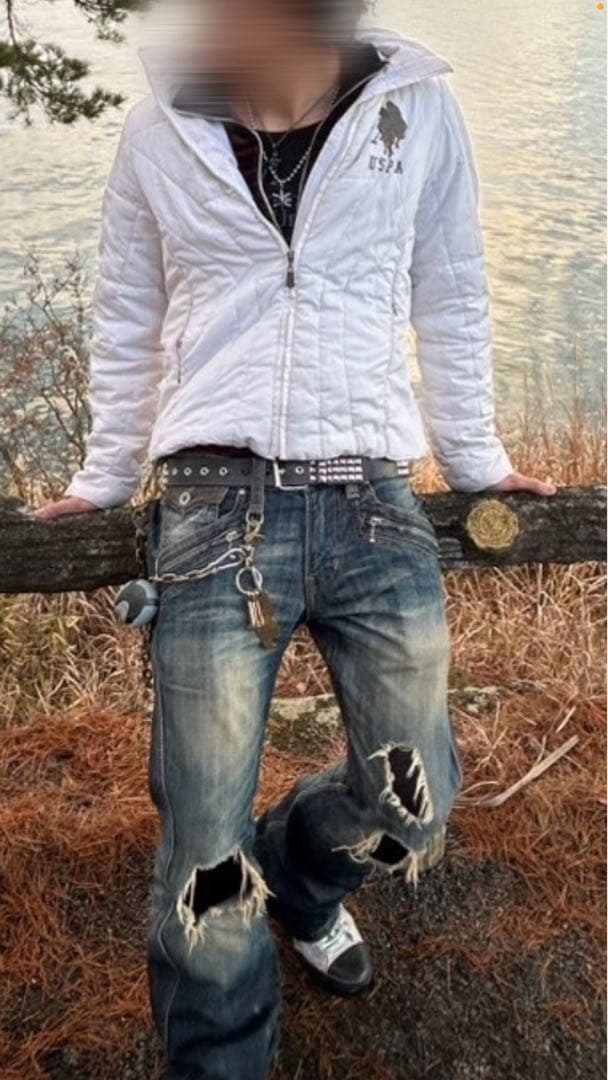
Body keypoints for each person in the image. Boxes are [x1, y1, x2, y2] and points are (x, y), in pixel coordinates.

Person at [37, 1, 557, 1076]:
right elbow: (127, 315)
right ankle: (219, 1055)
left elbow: (451, 292)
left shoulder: (415, 109)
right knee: (202, 854)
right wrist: (103, 479)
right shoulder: (161, 126)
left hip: (372, 502)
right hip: (212, 508)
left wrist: (474, 462)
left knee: (413, 802)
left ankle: (301, 876)